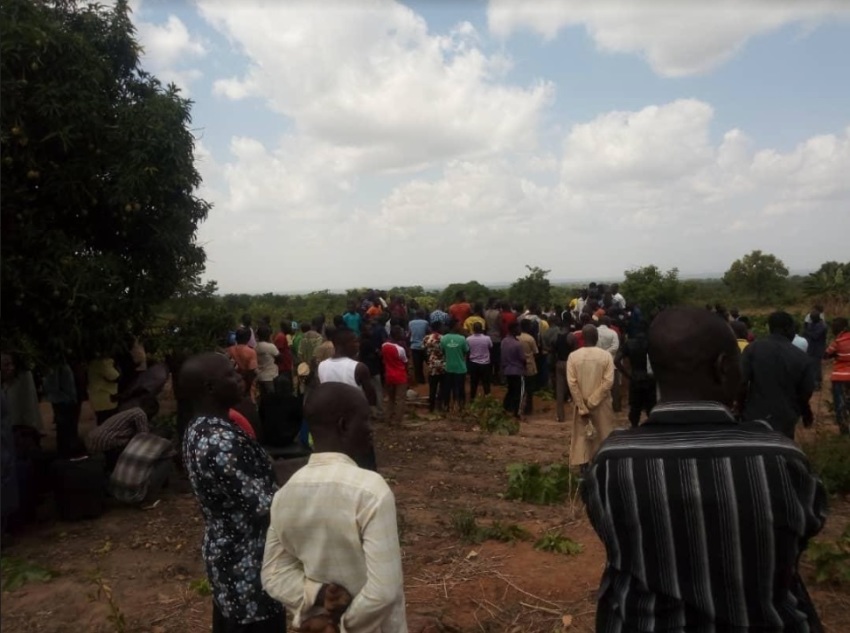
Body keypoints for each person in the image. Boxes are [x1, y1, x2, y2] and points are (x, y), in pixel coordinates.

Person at [581, 306, 827, 633]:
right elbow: (804, 532)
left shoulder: (611, 462)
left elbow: (613, 539)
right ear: (723, 367)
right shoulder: (782, 459)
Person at [261, 383, 407, 632]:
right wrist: (341, 625)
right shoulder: (370, 490)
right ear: (344, 425)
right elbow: (383, 592)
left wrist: (317, 596)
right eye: (365, 420)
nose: (370, 429)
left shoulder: (285, 493)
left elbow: (274, 575)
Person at [180, 353, 285, 633]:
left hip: (230, 557)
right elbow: (268, 507)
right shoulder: (220, 443)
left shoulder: (202, 429)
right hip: (248, 565)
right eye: (231, 375)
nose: (240, 378)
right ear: (210, 388)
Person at [740, 311, 815, 439]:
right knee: (783, 454)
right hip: (785, 419)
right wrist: (805, 412)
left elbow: (741, 382)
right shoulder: (801, 357)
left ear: (769, 328)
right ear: (787, 328)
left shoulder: (752, 349)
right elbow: (806, 392)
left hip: (754, 415)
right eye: (793, 328)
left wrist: (741, 407)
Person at [566, 325, 614, 469]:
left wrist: (582, 405)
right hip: (601, 403)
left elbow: (572, 384)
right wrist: (593, 401)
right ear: (597, 338)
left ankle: (584, 472)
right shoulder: (606, 356)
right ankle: (601, 469)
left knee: (582, 437)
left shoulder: (573, 356)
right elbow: (608, 382)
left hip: (582, 405)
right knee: (603, 435)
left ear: (582, 338)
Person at [86, 396, 160, 471]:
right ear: (151, 409)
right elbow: (143, 436)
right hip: (106, 440)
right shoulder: (140, 413)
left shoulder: (132, 412)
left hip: (95, 438)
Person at [109, 431, 175, 505]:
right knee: (168, 459)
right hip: (137, 496)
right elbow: (174, 455)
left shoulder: (138, 436)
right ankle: (150, 498)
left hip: (116, 492)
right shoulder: (165, 442)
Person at [615, 322, 657, 427]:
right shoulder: (652, 343)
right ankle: (652, 428)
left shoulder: (629, 343)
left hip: (635, 377)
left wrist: (627, 375)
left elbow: (616, 360)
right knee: (651, 406)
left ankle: (634, 427)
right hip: (650, 377)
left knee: (635, 407)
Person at [1, 353, 43, 432]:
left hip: (21, 428)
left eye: (11, 364)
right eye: (6, 365)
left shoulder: (24, 376)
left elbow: (28, 406)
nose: (11, 368)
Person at [826, 316, 850, 434]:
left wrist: (836, 356)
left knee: (840, 404)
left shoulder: (837, 342)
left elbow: (826, 355)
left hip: (840, 377)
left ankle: (844, 430)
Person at [381, 326, 408, 425]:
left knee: (391, 399)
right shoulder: (400, 349)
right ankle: (397, 421)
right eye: (401, 333)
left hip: (389, 375)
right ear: (396, 335)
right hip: (400, 376)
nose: (402, 334)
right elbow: (405, 361)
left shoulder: (384, 345)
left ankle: (388, 418)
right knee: (400, 399)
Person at [440, 320, 469, 412]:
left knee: (447, 388)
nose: (460, 326)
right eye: (459, 324)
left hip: (449, 367)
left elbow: (443, 351)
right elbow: (466, 351)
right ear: (455, 326)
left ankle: (446, 406)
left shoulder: (443, 338)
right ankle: (461, 407)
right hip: (460, 368)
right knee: (460, 389)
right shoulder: (462, 339)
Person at [359, 320, 386, 420]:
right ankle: (379, 412)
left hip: (364, 369)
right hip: (373, 369)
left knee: (367, 391)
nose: (372, 331)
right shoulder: (369, 343)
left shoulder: (360, 342)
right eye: (370, 329)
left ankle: (370, 411)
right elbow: (378, 353)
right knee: (378, 390)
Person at [500, 322, 527, 419]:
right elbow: (523, 359)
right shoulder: (517, 344)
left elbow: (502, 357)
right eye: (518, 328)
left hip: (507, 370)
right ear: (514, 330)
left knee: (510, 391)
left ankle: (505, 409)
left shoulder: (504, 341)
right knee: (519, 393)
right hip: (517, 371)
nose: (520, 330)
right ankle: (517, 413)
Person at [553, 320, 576, 422]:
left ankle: (560, 416)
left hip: (559, 363)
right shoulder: (571, 336)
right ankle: (578, 414)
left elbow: (553, 350)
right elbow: (575, 350)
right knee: (574, 388)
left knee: (560, 390)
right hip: (569, 363)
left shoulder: (556, 337)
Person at [87, 354, 120, 426]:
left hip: (97, 397)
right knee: (109, 423)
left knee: (101, 421)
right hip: (105, 398)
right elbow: (114, 376)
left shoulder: (93, 363)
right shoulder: (104, 363)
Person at [228, 328, 259, 396]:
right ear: (248, 339)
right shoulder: (251, 352)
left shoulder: (230, 350)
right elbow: (252, 371)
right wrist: (248, 387)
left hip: (233, 383)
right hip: (247, 385)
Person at [517, 320, 539, 416]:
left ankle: (518, 407)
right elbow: (536, 352)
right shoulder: (530, 339)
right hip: (529, 365)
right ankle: (528, 409)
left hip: (518, 366)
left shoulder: (516, 337)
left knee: (519, 388)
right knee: (529, 389)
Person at [423, 323, 446, 413]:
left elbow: (424, 350)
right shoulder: (443, 338)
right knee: (442, 386)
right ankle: (440, 405)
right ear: (439, 328)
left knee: (432, 387)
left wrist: (428, 360)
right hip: (442, 364)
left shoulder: (426, 338)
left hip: (432, 364)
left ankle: (431, 407)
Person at [466, 322, 492, 400]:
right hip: (485, 363)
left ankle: (472, 399)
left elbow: (467, 350)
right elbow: (490, 347)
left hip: (473, 363)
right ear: (482, 329)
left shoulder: (468, 339)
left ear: (473, 329)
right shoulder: (487, 338)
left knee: (474, 383)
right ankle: (488, 399)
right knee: (486, 383)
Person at [804, 310, 828, 390]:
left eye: (812, 318)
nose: (811, 320)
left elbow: (815, 336)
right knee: (813, 366)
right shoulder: (814, 324)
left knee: (816, 366)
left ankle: (817, 384)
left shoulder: (822, 326)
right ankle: (816, 382)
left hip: (818, 348)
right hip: (811, 348)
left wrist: (807, 332)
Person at [255, 325, 281, 397]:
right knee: (271, 397)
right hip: (270, 376)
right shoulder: (270, 346)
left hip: (260, 376)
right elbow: (279, 358)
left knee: (263, 397)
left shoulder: (256, 346)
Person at [407, 311, 429, 385]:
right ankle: (432, 377)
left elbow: (409, 334)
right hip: (424, 346)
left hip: (414, 347)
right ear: (422, 315)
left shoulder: (410, 323)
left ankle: (420, 381)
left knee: (417, 366)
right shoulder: (425, 322)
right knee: (430, 363)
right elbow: (428, 332)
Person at [484, 298, 502, 384]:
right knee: (497, 359)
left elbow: (486, 326)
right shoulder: (498, 313)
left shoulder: (486, 313)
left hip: (488, 336)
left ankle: (489, 376)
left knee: (489, 358)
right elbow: (500, 325)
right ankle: (496, 377)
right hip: (496, 337)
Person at [273, 321, 294, 396]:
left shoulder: (282, 336)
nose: (290, 328)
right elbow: (278, 352)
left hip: (286, 366)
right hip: (283, 367)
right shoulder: (281, 337)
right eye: (289, 326)